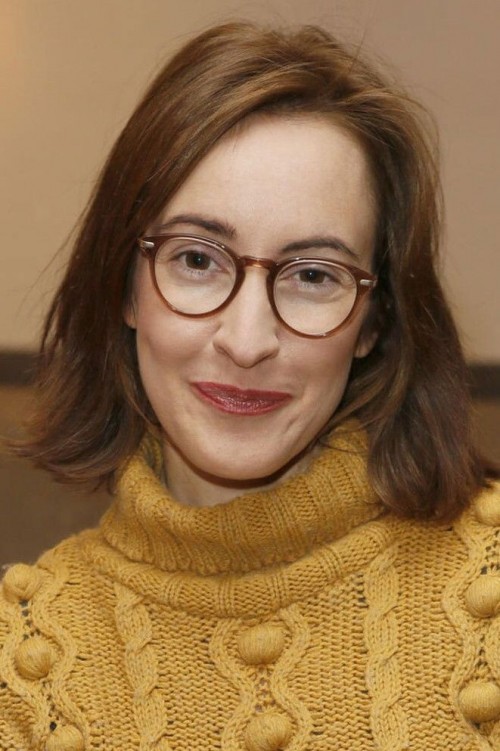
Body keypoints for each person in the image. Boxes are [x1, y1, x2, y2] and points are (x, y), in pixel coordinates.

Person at [0, 21, 498, 751]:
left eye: (314, 275)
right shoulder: (24, 662)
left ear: (374, 322)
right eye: (198, 260)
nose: (247, 340)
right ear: (124, 288)